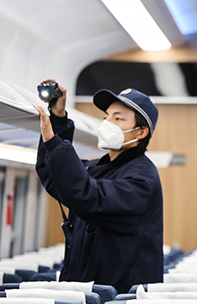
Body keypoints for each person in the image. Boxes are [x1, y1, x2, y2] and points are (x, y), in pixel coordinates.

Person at [34, 80, 164, 293]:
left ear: (141, 132)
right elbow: (54, 175)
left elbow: (90, 198)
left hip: (120, 299)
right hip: (83, 292)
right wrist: (57, 119)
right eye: (106, 117)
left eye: (118, 118)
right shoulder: (97, 168)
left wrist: (54, 142)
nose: (107, 123)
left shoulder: (142, 178)